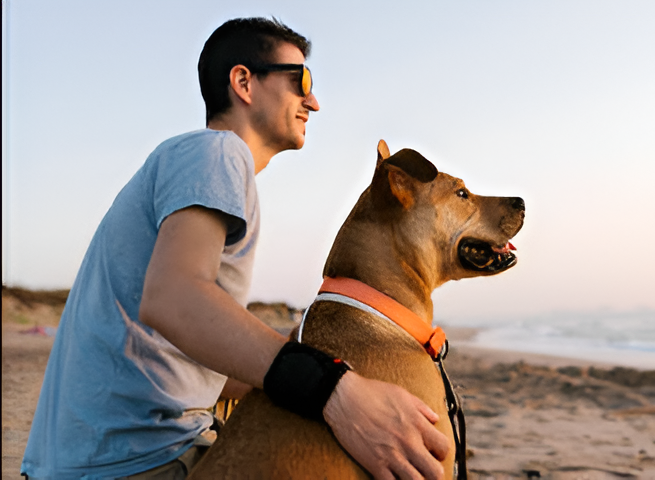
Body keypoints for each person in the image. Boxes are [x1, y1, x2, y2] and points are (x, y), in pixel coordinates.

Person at [21, 17, 449, 480]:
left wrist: (321, 353)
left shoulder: (199, 167)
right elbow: (174, 299)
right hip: (136, 464)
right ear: (243, 81)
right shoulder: (217, 153)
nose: (314, 101)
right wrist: (332, 389)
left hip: (97, 460)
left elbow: (200, 366)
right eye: (300, 80)